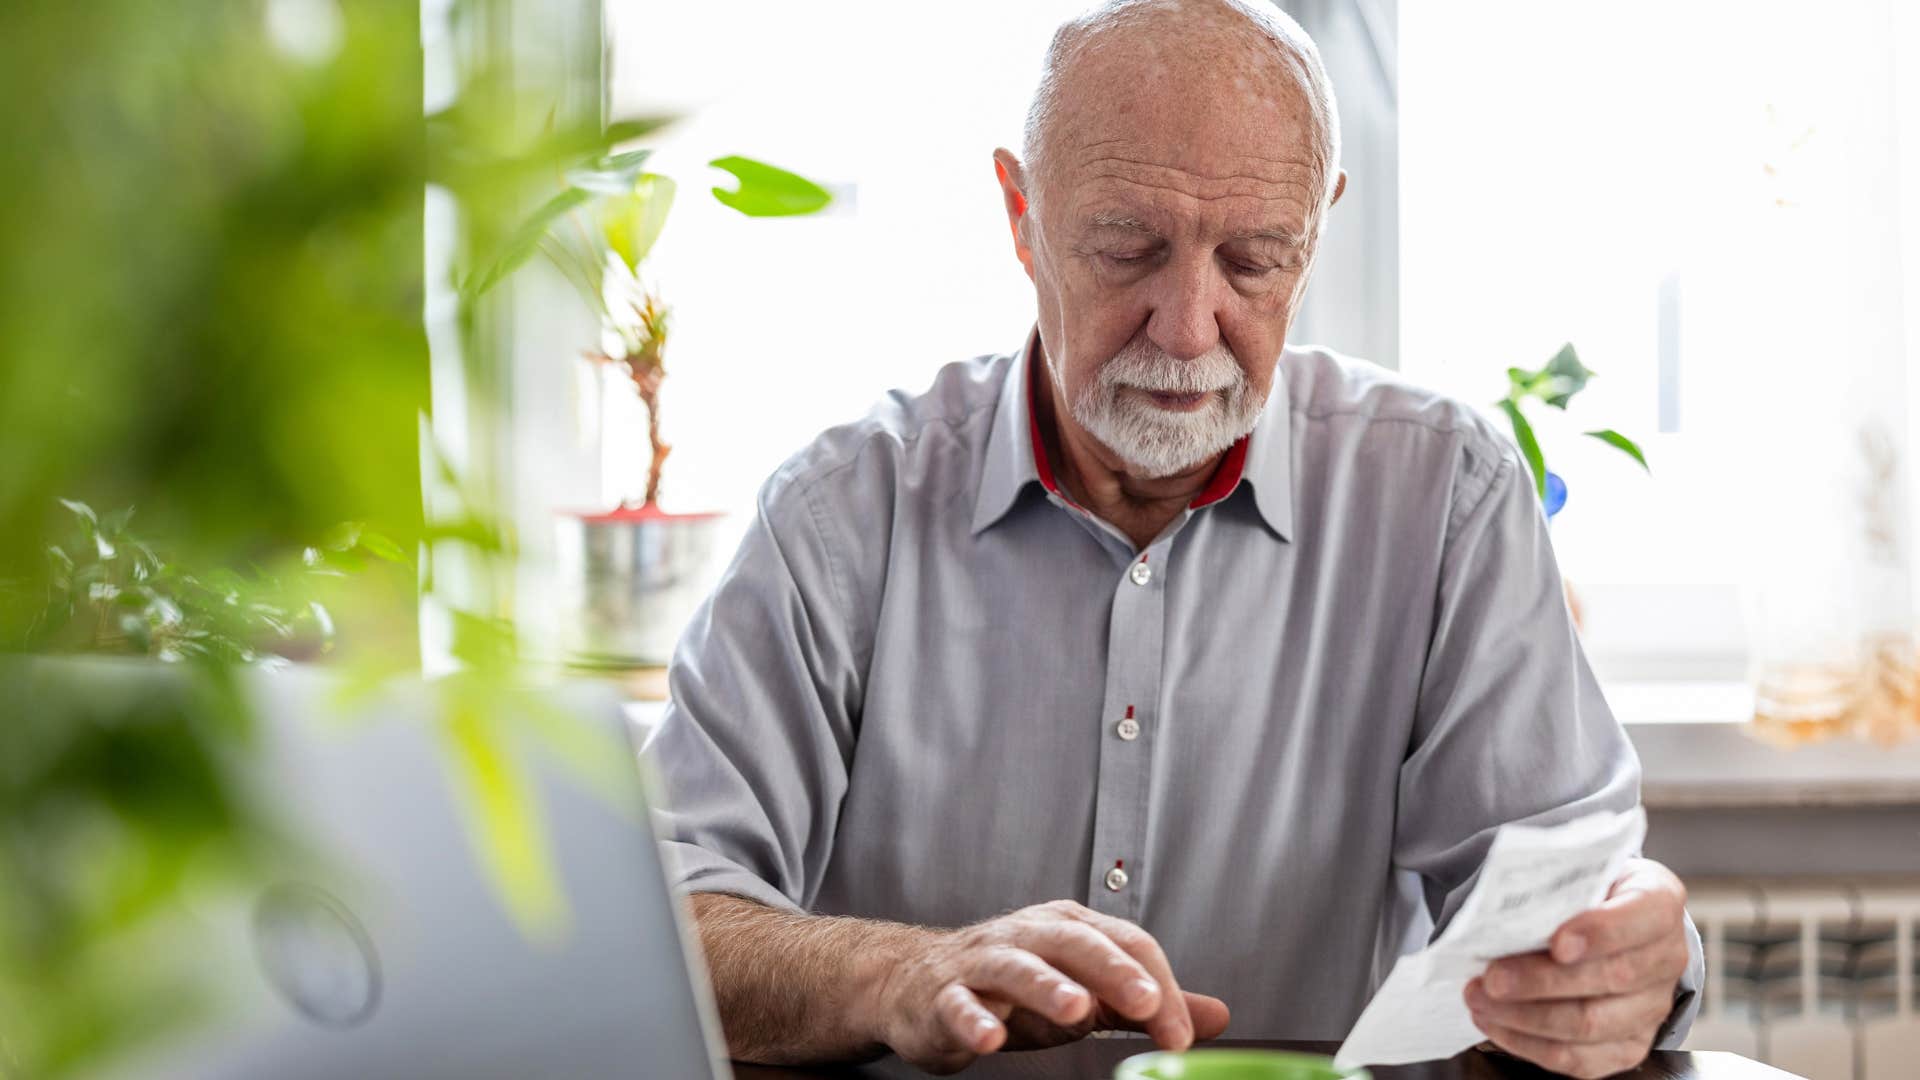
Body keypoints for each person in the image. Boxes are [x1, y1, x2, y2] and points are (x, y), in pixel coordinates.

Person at [642, 2, 1702, 1076]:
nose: (1188, 326)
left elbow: (1564, 896)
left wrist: (1618, 963)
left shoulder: (1446, 498)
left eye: (1254, 259)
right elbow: (663, 917)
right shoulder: (843, 513)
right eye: (1125, 248)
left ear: (1318, 227)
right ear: (1021, 215)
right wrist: (901, 972)